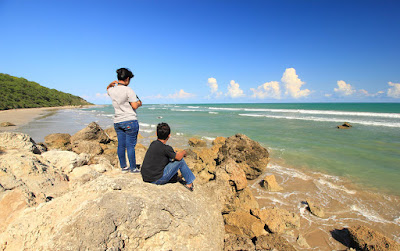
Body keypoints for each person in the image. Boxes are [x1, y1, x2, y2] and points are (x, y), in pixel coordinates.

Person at [141, 122, 195, 191]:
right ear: (169, 135)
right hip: (156, 179)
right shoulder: (166, 148)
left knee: (170, 157)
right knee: (180, 161)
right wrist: (184, 152)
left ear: (156, 133)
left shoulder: (153, 143)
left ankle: (174, 177)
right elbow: (178, 157)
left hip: (146, 176)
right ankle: (190, 183)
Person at [107, 68, 142, 173]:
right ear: (127, 79)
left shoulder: (112, 90)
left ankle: (123, 167)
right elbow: (134, 105)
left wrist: (110, 84)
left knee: (121, 145)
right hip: (130, 120)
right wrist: (140, 103)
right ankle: (133, 168)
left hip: (117, 121)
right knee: (130, 146)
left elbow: (107, 89)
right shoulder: (128, 90)